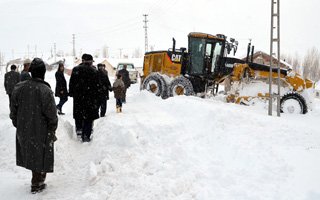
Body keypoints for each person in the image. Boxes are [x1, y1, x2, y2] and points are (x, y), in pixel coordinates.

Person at [9, 58, 58, 194]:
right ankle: (36, 183)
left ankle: (37, 179)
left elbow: (13, 111)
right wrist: (52, 127)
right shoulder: (45, 90)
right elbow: (52, 115)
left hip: (24, 128)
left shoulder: (19, 87)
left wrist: (18, 123)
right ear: (43, 73)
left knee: (32, 153)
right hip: (41, 129)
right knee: (41, 154)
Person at [69, 54, 102, 142]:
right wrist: (97, 99)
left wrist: (72, 93)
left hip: (78, 98)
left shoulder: (76, 70)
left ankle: (79, 130)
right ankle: (86, 134)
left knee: (78, 114)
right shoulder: (94, 71)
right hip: (90, 99)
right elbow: (98, 88)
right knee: (88, 117)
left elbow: (71, 83)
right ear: (90, 61)